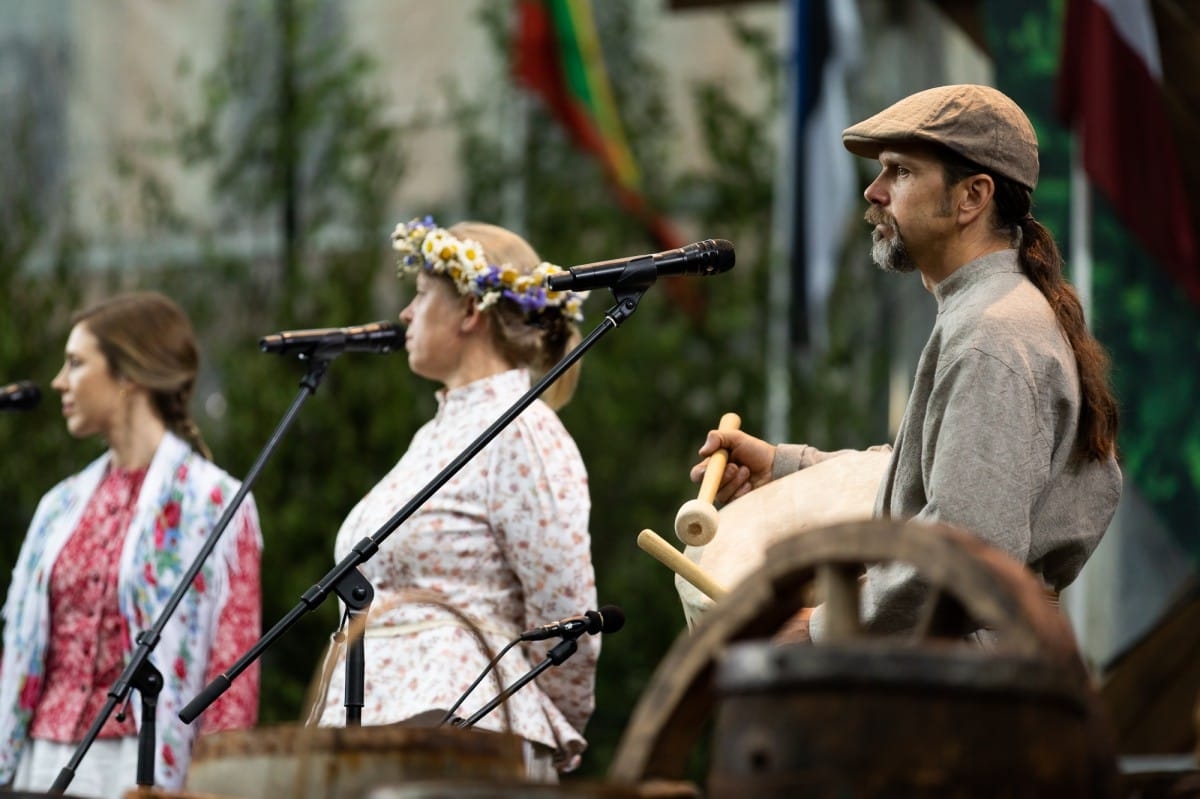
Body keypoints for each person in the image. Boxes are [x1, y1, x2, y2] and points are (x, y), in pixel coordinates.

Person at [691, 84, 1122, 638]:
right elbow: (940, 481)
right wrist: (786, 467)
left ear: (972, 197)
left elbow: (969, 546)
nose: (874, 191)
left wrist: (823, 630)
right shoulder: (989, 312)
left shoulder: (993, 333)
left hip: (967, 690)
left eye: (900, 171)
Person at [313, 217, 598, 781]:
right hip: (374, 727)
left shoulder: (523, 428)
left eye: (420, 296)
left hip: (463, 732)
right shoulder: (441, 429)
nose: (405, 313)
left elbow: (566, 613)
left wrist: (539, 720)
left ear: (470, 312)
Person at [0, 291, 262, 798]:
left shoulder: (215, 502)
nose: (59, 382)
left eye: (76, 363)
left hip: (140, 767)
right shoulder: (61, 505)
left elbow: (232, 665)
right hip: (39, 760)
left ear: (128, 376)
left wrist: (215, 785)